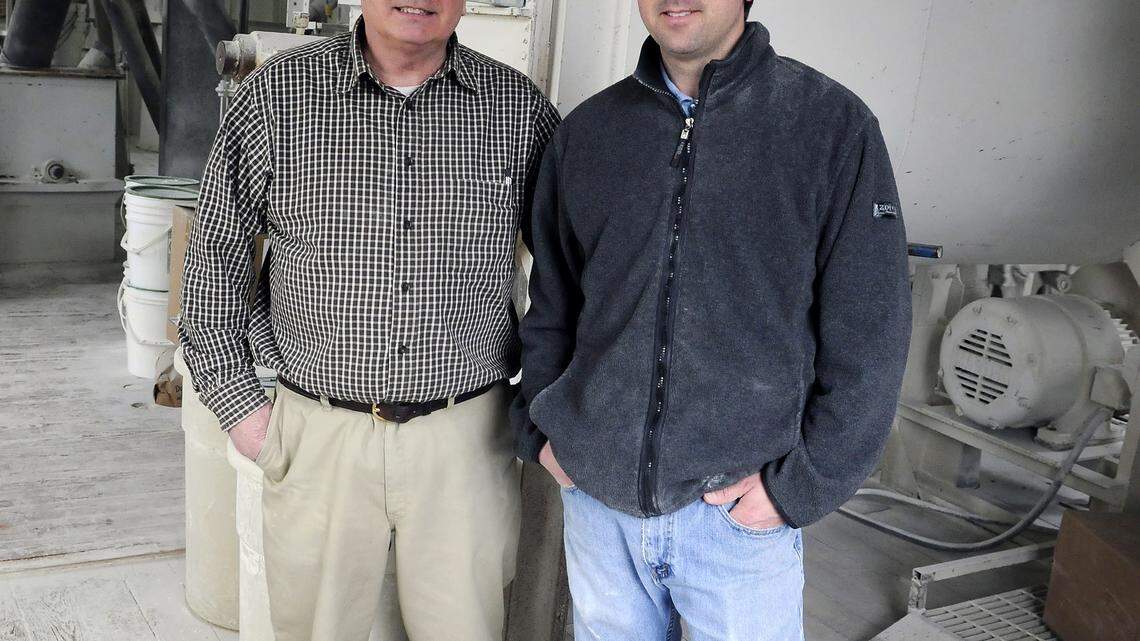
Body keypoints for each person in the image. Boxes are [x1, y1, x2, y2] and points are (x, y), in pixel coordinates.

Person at [512, 0, 911, 638]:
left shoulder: (829, 126)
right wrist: (545, 431)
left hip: (738, 512)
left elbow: (871, 334)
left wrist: (801, 487)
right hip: (599, 503)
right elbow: (553, 304)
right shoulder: (590, 133)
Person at [180, 1, 560, 639]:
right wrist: (240, 407)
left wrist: (546, 402)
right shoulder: (277, 96)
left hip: (466, 438)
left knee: (465, 628)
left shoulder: (517, 108)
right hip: (319, 434)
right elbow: (215, 258)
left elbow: (571, 265)